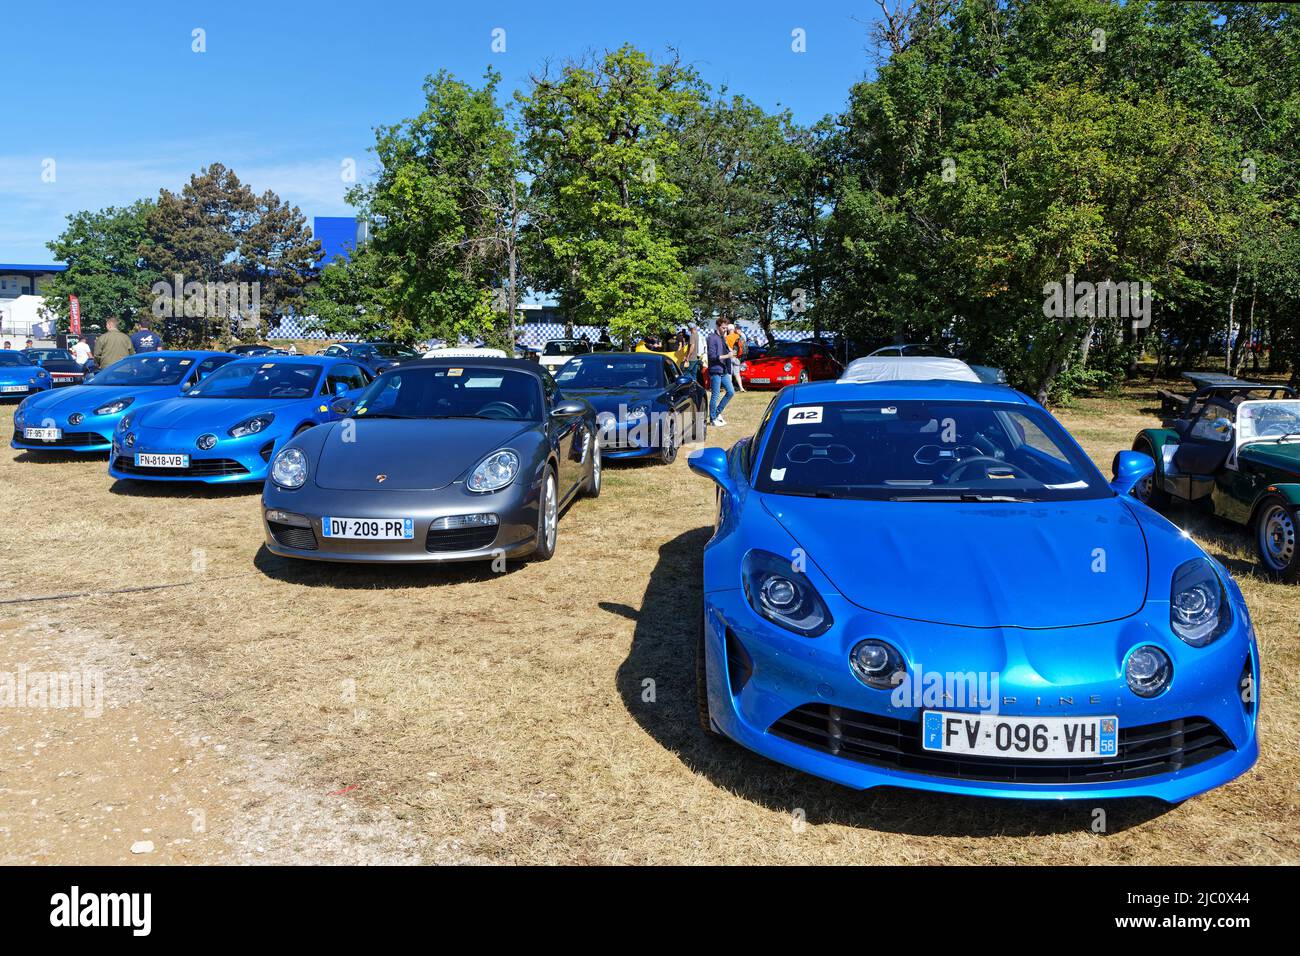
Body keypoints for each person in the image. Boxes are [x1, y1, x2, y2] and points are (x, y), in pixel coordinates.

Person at [706, 317, 736, 426]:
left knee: (731, 391)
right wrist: (726, 356)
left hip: (723, 369)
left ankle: (717, 413)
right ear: (718, 326)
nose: (725, 330)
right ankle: (713, 419)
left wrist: (729, 350)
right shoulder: (712, 338)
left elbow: (726, 351)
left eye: (726, 328)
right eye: (723, 328)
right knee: (715, 395)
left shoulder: (723, 338)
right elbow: (712, 356)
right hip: (715, 370)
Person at [725, 322, 746, 393]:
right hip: (737, 357)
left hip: (729, 356)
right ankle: (741, 387)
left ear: (728, 330)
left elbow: (725, 347)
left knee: (729, 373)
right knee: (737, 373)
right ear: (733, 329)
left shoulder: (726, 337)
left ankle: (730, 388)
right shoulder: (737, 336)